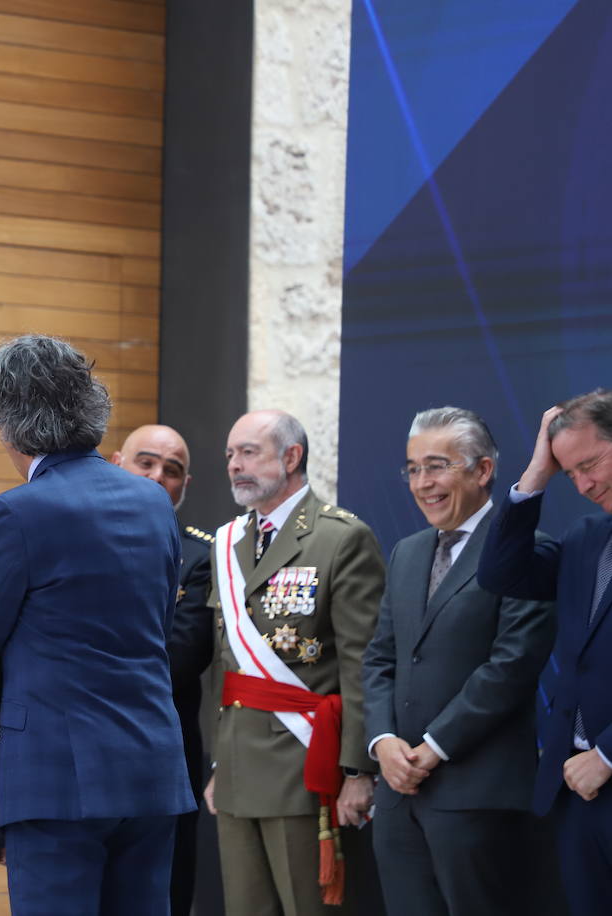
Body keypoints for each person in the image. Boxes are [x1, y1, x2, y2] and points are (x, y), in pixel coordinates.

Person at [0, 335, 194, 916]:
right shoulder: (154, 503)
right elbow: (160, 619)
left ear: (10, 425)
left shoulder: (17, 512)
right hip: (150, 769)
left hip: (58, 781)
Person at [361, 407, 555, 915]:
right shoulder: (406, 552)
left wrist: (433, 747)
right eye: (413, 468)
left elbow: (511, 667)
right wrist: (383, 743)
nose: (423, 483)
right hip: (399, 798)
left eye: (437, 466)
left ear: (483, 471)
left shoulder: (528, 552)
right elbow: (380, 657)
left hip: (476, 795)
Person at [205, 409, 385, 915]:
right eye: (230, 455)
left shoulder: (340, 538)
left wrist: (357, 770)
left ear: (291, 456)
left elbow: (360, 661)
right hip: (238, 767)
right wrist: (219, 761)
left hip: (306, 767)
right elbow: (224, 666)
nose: (235, 465)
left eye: (249, 453)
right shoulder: (228, 543)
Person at [478, 388, 612, 916]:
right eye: (569, 473)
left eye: (591, 464)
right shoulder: (585, 538)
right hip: (576, 795)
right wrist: (537, 471)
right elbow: (499, 573)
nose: (582, 484)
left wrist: (606, 754)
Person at [110, 424, 215, 916]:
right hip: (79, 751)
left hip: (161, 754)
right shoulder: (76, 535)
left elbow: (181, 657)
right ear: (115, 463)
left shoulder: (200, 556)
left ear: (184, 486)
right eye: (145, 462)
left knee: (163, 896)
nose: (157, 478)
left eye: (172, 471)